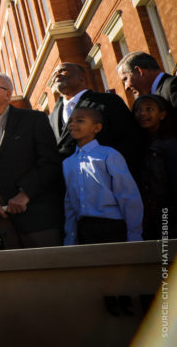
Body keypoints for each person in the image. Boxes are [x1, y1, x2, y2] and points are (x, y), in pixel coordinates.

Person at [0, 72, 64, 250]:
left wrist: (25, 194)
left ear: (8, 95)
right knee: (10, 273)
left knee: (48, 270)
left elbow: (49, 162)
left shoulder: (34, 120)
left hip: (35, 211)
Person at [63, 107, 143, 245]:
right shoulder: (67, 162)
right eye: (70, 121)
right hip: (84, 229)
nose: (72, 124)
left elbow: (128, 194)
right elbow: (70, 202)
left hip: (112, 226)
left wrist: (134, 234)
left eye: (80, 121)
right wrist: (70, 238)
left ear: (97, 128)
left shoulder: (109, 155)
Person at [48, 62, 142, 174]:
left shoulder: (108, 102)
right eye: (54, 74)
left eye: (62, 70)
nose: (57, 75)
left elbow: (131, 140)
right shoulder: (51, 118)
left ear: (82, 77)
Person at [133, 94, 177, 240]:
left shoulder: (170, 144)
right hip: (147, 213)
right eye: (138, 110)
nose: (142, 114)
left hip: (168, 210)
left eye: (149, 109)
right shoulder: (137, 144)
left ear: (162, 114)